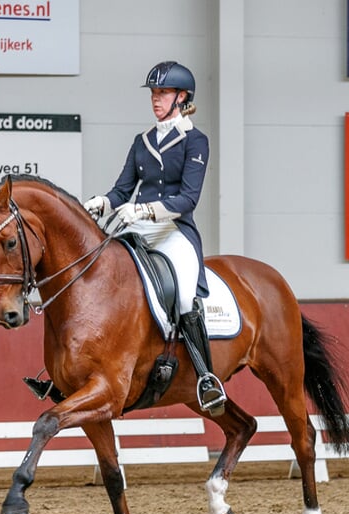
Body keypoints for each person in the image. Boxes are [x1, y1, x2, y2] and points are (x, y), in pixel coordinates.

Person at [83, 61, 226, 416]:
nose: (155, 99)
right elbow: (122, 190)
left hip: (173, 231)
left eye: (162, 93)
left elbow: (188, 199)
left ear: (182, 97)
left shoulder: (196, 141)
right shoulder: (142, 141)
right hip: (136, 227)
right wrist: (101, 202)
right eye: (154, 93)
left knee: (186, 294)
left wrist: (145, 211)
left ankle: (206, 377)